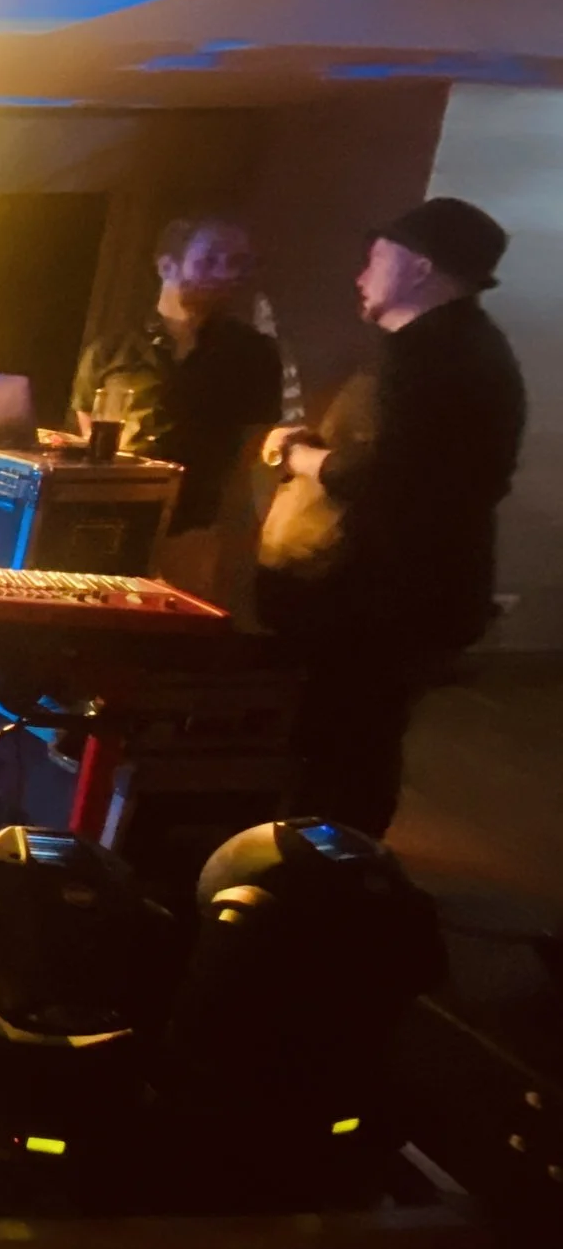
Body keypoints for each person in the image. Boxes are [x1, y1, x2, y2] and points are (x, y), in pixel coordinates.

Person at [256, 197, 526, 838]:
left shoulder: (425, 357)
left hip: (379, 605)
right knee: (359, 746)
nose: (360, 275)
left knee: (343, 752)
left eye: (376, 259)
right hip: (415, 597)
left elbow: (377, 477)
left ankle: (319, 890)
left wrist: (297, 454)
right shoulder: (471, 347)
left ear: (418, 268)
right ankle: (331, 874)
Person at [69, 218, 282, 597]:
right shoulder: (111, 348)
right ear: (166, 265)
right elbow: (86, 431)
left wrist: (231, 539)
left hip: (196, 530)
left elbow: (255, 450)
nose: (226, 273)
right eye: (210, 260)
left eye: (238, 262)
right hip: (110, 522)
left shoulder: (254, 354)